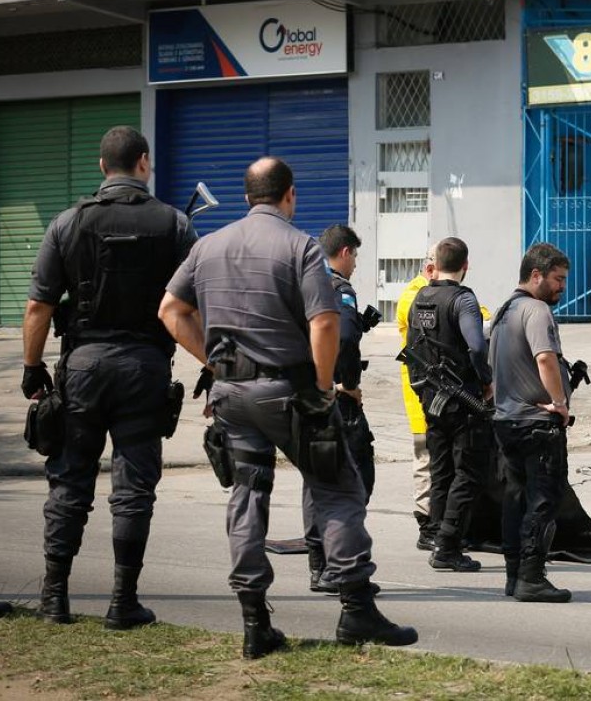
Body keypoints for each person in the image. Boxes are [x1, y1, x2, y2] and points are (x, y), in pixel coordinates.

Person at [158, 157, 416, 658]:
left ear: (247, 195)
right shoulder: (300, 247)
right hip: (290, 392)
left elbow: (170, 310)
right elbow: (324, 323)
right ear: (290, 195)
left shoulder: (207, 245)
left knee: (247, 493)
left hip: (232, 395)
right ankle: (356, 608)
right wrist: (323, 388)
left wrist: (212, 362)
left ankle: (255, 621)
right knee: (337, 487)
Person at [21, 126, 196, 630]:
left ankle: (55, 599)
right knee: (134, 488)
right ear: (144, 163)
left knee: (69, 482)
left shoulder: (67, 222)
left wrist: (32, 369)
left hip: (82, 368)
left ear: (103, 167)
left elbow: (38, 306)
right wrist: (215, 363)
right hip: (144, 369)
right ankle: (124, 602)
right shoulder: (176, 225)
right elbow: (190, 304)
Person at [488, 242, 575, 603]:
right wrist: (560, 403)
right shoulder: (537, 311)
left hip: (507, 420)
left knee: (516, 498)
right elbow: (545, 359)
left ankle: (514, 575)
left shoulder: (503, 310)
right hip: (536, 422)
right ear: (536, 275)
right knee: (544, 500)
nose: (562, 287)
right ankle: (531, 576)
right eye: (557, 279)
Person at [406, 237, 493, 573]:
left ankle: (438, 537)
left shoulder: (419, 298)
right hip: (462, 401)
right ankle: (449, 546)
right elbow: (475, 345)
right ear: (465, 265)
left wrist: (421, 391)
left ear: (435, 264)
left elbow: (411, 348)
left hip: (431, 399)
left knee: (440, 471)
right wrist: (486, 380)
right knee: (468, 473)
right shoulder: (463, 299)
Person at [305, 225, 378, 595]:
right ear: (346, 252)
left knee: (316, 480)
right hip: (337, 401)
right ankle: (342, 566)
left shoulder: (303, 285)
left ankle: (320, 568)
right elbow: (346, 338)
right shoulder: (340, 290)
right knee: (355, 480)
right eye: (356, 257)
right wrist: (349, 386)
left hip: (307, 396)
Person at [396, 245, 438, 551]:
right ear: (431, 268)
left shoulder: (439, 290)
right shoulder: (414, 294)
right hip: (421, 392)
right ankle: (426, 525)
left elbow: (480, 312)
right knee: (425, 460)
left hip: (441, 392)